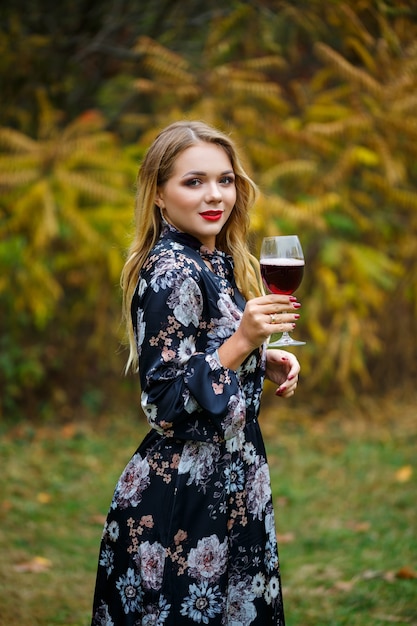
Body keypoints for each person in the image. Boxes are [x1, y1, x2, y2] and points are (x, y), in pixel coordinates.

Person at [91, 120, 301, 626]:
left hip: (233, 479)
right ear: (159, 194)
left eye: (225, 180)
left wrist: (260, 360)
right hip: (186, 494)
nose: (215, 195)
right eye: (193, 181)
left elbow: (198, 355)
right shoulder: (171, 270)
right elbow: (163, 403)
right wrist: (243, 341)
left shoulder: (217, 259)